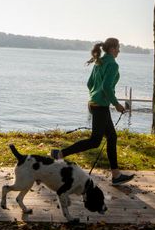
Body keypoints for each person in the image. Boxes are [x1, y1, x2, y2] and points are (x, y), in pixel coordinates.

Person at [51, 37, 134, 185]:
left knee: (112, 137)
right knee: (95, 141)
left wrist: (95, 97)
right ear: (113, 49)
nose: (119, 51)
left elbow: (89, 84)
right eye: (118, 48)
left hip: (95, 104)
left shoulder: (99, 62)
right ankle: (60, 153)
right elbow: (107, 87)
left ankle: (116, 175)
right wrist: (116, 104)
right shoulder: (113, 65)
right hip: (101, 106)